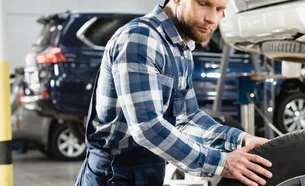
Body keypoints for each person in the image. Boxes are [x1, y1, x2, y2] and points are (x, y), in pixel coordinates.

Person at [74, 0, 273, 185]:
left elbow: (187, 118)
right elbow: (147, 127)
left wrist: (240, 140)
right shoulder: (140, 38)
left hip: (146, 170)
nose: (212, 18)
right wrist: (222, 163)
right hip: (114, 175)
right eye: (203, 3)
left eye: (220, 9)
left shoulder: (181, 48)